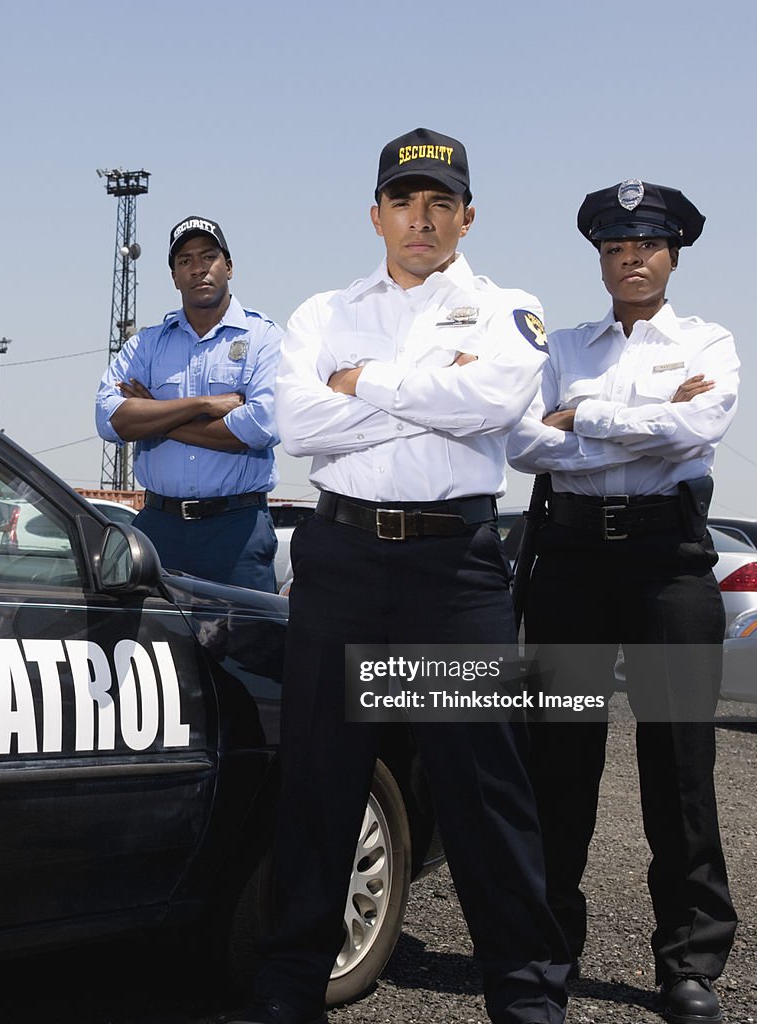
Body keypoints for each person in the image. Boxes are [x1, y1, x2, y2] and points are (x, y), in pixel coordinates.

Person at [232, 128, 570, 1024]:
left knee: (484, 792)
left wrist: (365, 386)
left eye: (440, 203)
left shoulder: (506, 309)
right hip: (341, 562)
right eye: (405, 201)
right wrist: (429, 399)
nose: (422, 220)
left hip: (451, 574)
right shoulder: (320, 314)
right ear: (375, 214)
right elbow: (298, 427)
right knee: (319, 780)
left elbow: (495, 404)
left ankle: (527, 997)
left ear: (468, 216)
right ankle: (291, 985)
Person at [506, 180, 739, 1024]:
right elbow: (524, 442)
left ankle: (689, 963)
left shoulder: (709, 339)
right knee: (559, 765)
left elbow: (698, 428)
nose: (629, 258)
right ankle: (546, 956)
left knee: (678, 768)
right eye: (613, 246)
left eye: (644, 245)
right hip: (570, 561)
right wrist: (640, 416)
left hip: (666, 562)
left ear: (672, 253)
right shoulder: (562, 343)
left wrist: (586, 416)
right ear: (599, 257)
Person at [95, 216, 282, 592]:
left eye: (208, 257)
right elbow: (109, 419)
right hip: (159, 529)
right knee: (154, 649)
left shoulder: (264, 338)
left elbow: (260, 427)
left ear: (228, 267)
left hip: (237, 529)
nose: (198, 268)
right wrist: (204, 404)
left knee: (243, 649)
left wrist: (158, 414)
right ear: (174, 276)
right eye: (184, 261)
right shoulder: (148, 344)